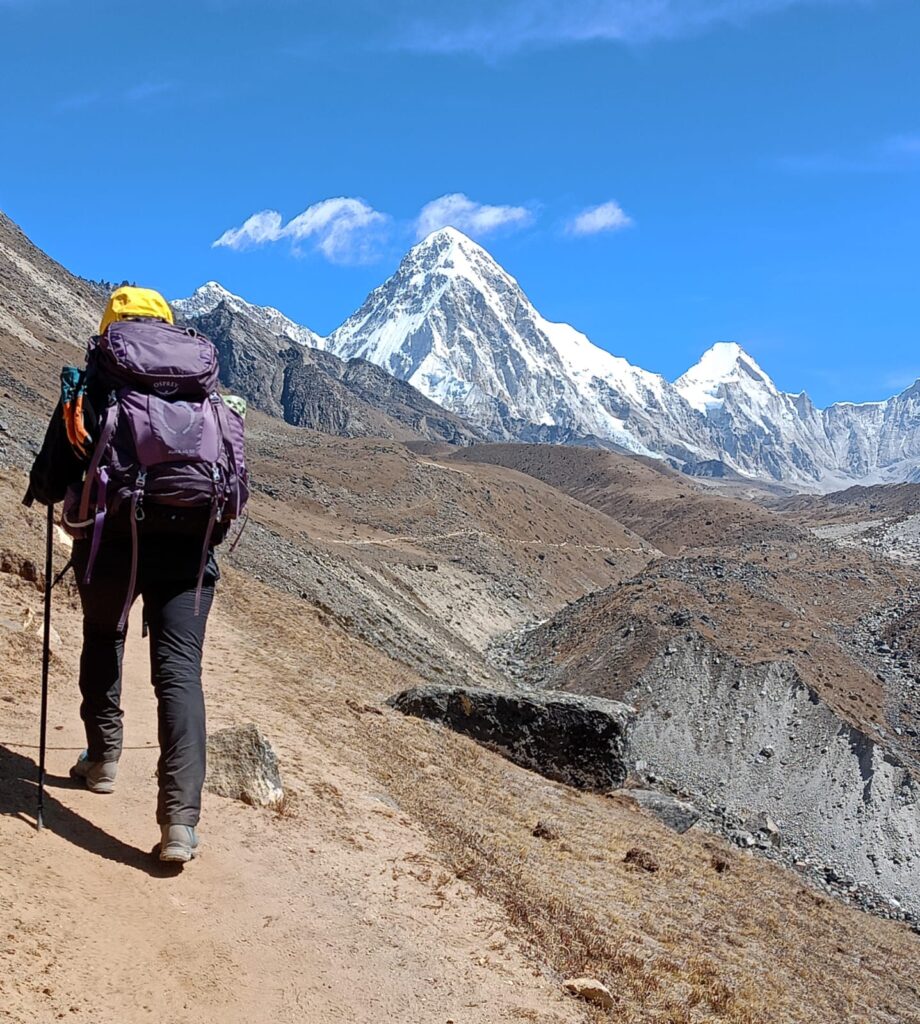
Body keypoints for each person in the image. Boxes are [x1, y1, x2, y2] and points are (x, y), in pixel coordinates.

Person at [25, 286, 248, 863]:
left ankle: (102, 759)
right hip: (189, 546)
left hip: (113, 540)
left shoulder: (97, 377)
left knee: (104, 637)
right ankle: (180, 822)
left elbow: (51, 475)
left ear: (111, 324)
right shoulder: (202, 385)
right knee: (179, 674)